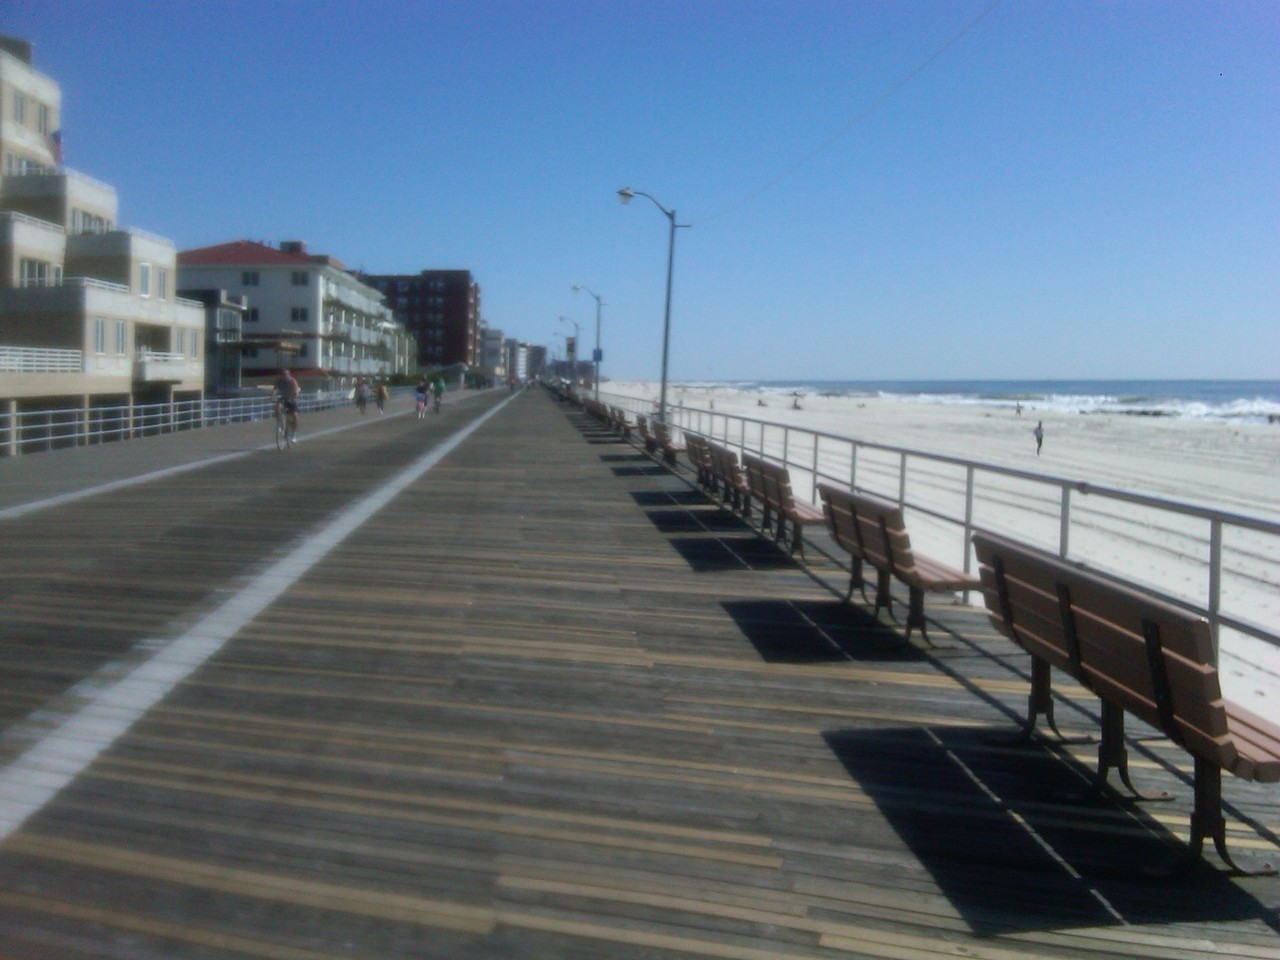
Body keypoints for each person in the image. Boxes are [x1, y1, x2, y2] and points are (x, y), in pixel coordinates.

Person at [273, 368, 300, 439]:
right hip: (283, 398)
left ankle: (293, 434)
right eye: (283, 374)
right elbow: (275, 389)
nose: (284, 375)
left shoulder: (292, 381)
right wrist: (272, 396)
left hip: (292, 399)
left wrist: (295, 395)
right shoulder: (279, 381)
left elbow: (296, 389)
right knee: (277, 407)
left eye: (286, 374)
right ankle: (280, 423)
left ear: (289, 374)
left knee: (294, 416)